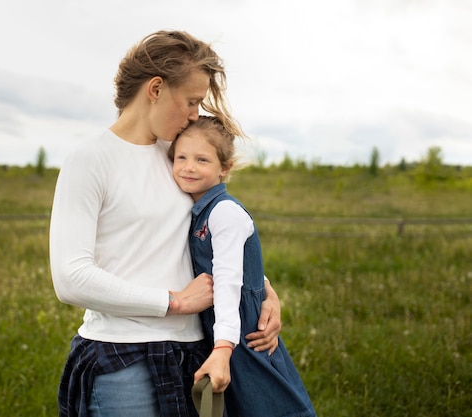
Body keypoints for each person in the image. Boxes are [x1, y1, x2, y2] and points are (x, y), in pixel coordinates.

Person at [49, 30, 283, 417]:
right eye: (191, 100)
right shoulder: (90, 159)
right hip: (123, 359)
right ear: (156, 88)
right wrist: (174, 302)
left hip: (193, 352)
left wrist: (261, 290)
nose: (195, 114)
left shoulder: (180, 157)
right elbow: (70, 278)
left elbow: (210, 235)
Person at [169, 115, 317, 416]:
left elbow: (228, 280)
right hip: (220, 330)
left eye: (202, 159)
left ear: (225, 168)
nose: (188, 167)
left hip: (243, 334)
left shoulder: (224, 212)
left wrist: (224, 347)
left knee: (268, 407)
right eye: (181, 157)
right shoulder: (197, 210)